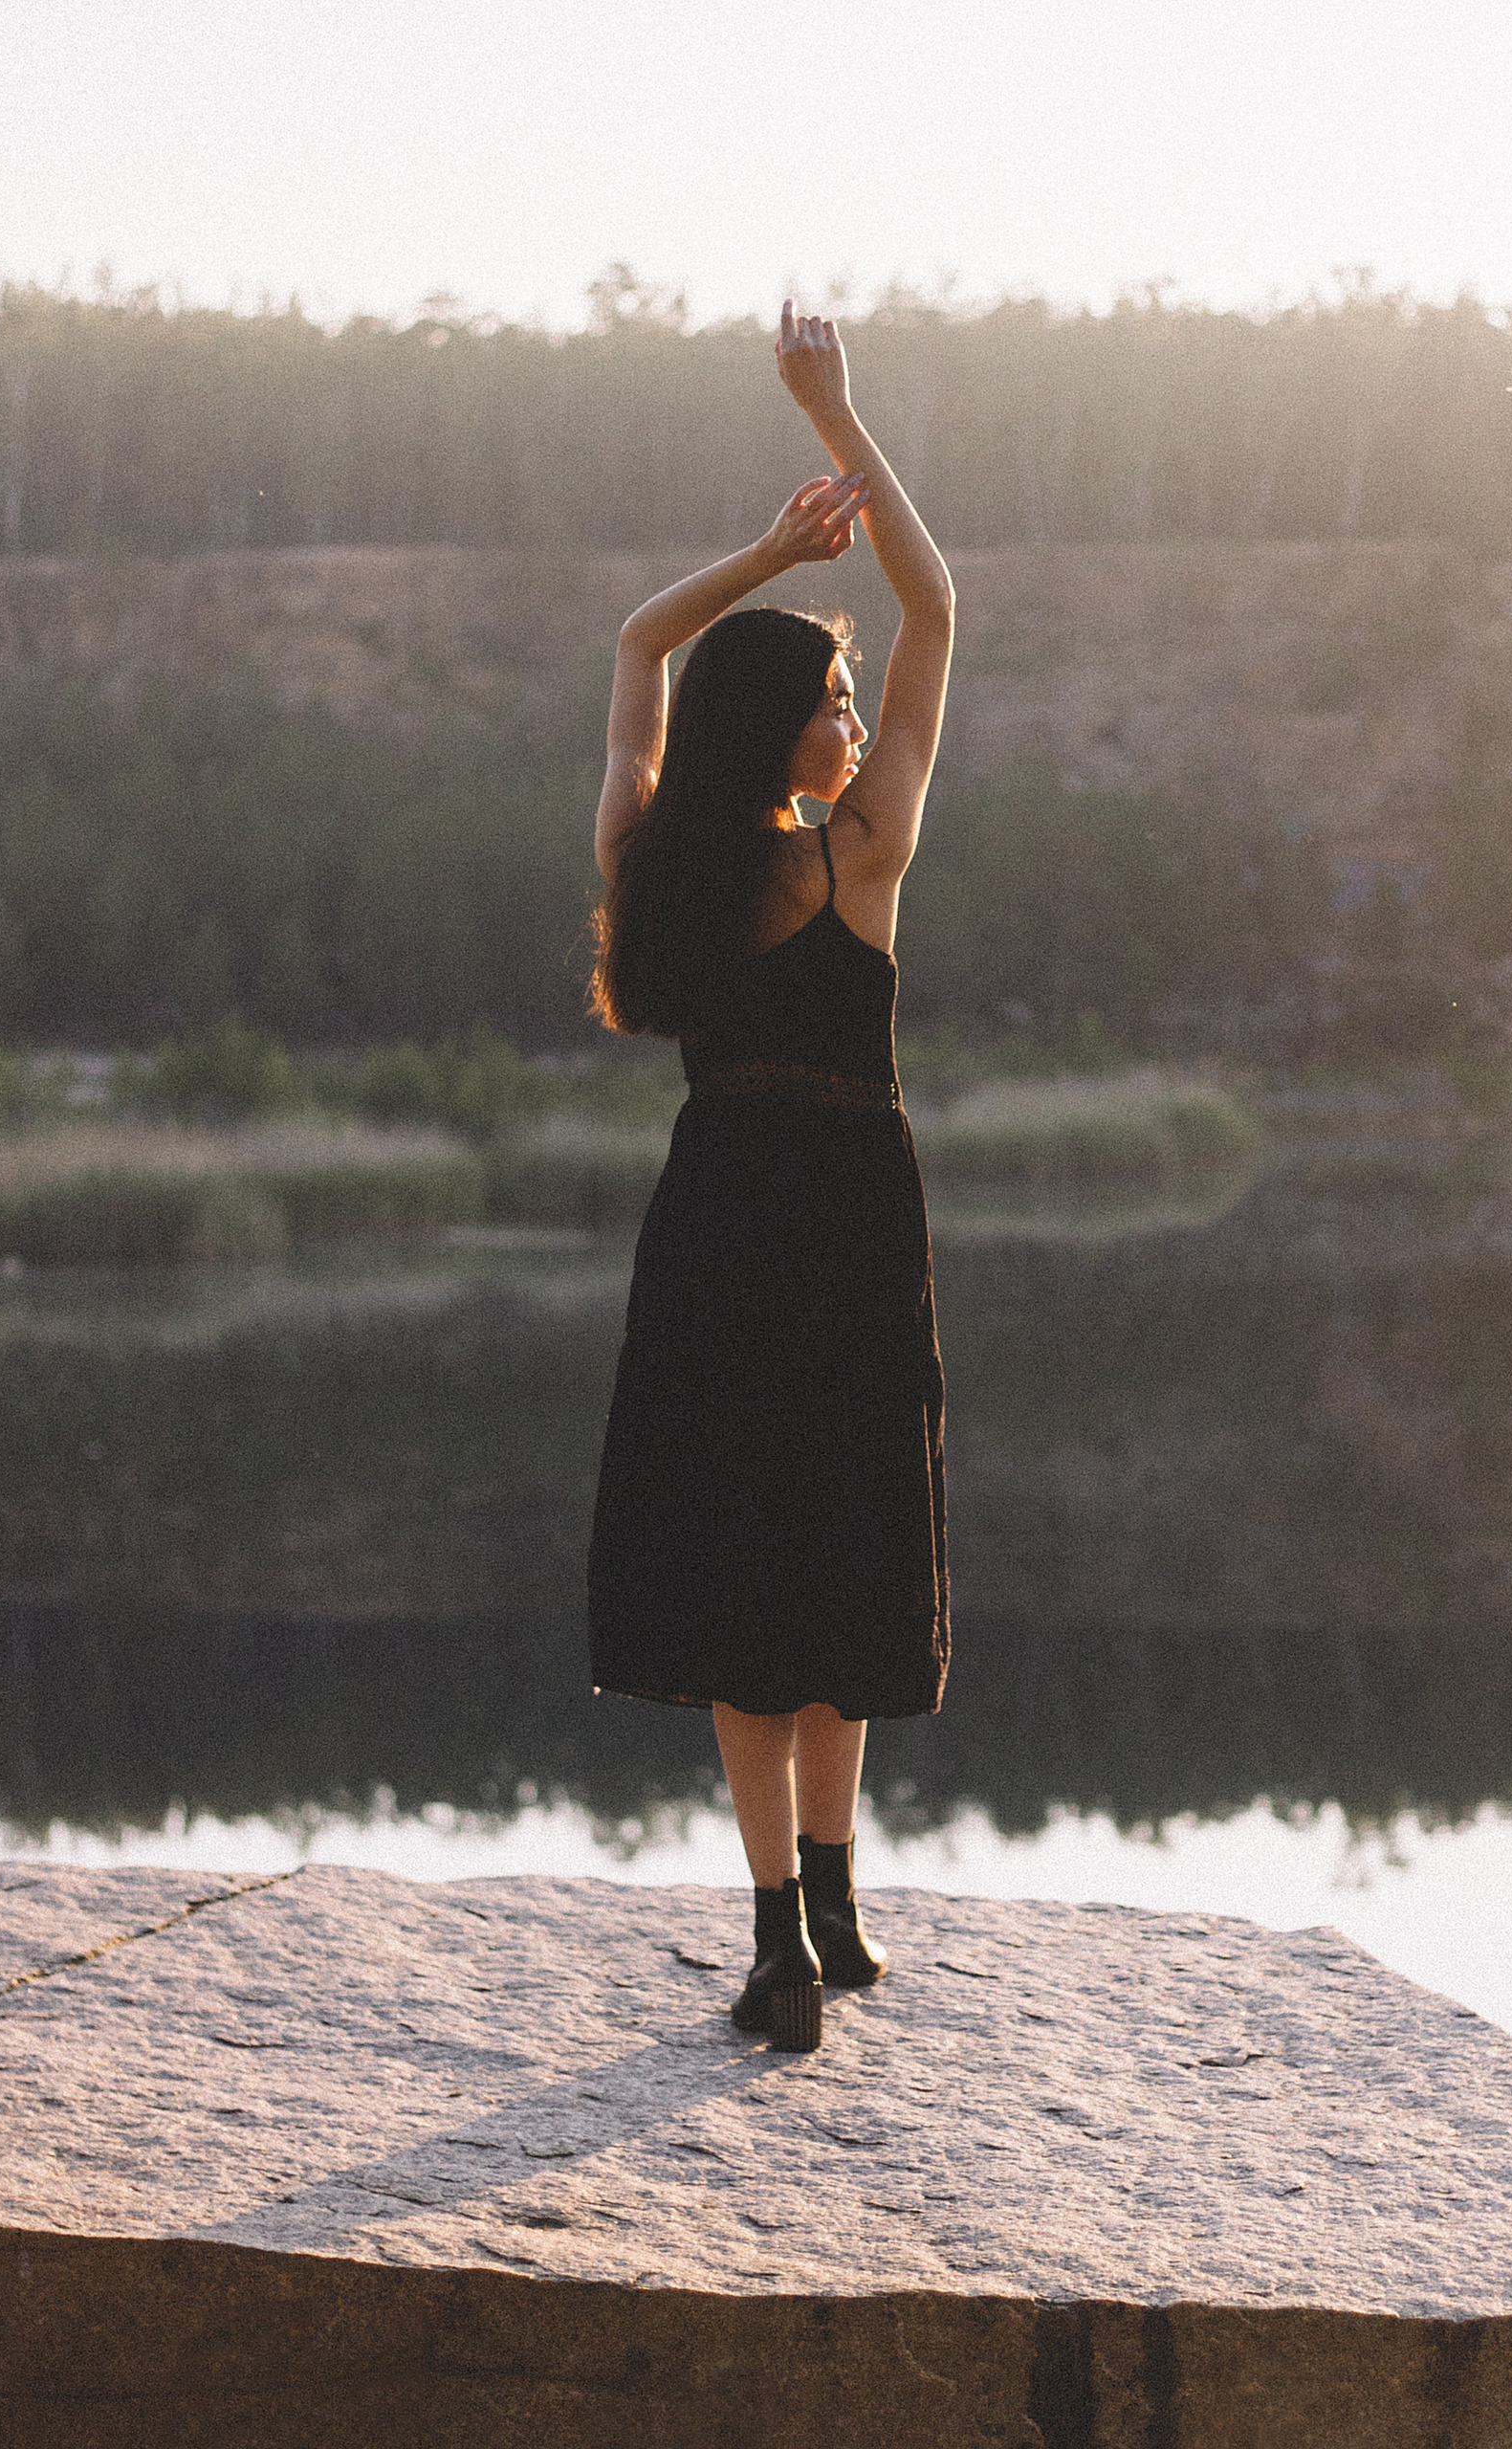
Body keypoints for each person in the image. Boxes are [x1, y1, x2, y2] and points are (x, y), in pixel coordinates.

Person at [586, 303, 955, 2055]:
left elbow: (643, 649)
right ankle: (814, 1918)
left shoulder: (657, 862)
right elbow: (938, 610)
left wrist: (772, 541)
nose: (853, 709)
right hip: (845, 1223)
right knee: (828, 1563)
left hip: (724, 1224)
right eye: (831, 697)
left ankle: (791, 1930)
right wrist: (841, 431)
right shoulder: (859, 859)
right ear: (792, 735)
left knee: (762, 1576)